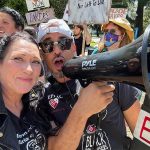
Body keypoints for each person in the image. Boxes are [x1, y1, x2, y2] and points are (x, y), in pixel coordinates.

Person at [37, 18, 141, 150]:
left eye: (64, 42)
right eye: (48, 45)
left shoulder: (108, 76)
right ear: (41, 54)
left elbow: (142, 134)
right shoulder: (41, 100)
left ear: (74, 46)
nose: (57, 50)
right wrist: (81, 111)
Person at [0, 31, 114, 150]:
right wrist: (81, 110)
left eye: (35, 61)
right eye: (18, 58)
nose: (29, 69)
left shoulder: (36, 101)